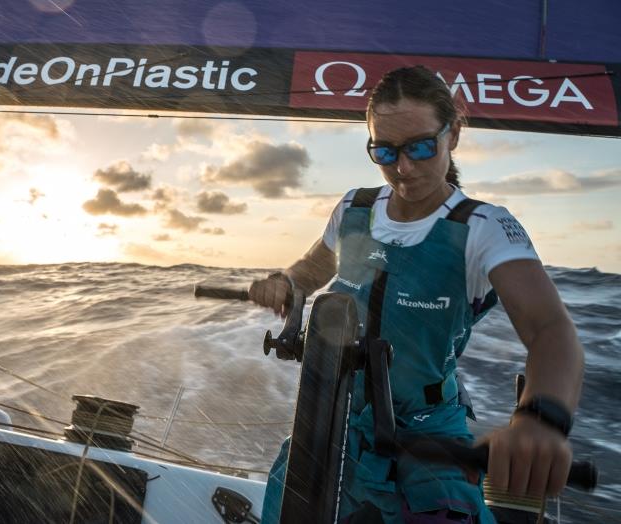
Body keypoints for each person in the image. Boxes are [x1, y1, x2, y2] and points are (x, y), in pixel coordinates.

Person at [249, 65, 584, 523]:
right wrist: (285, 283)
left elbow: (550, 331)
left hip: (429, 432)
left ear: (455, 134)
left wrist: (540, 420)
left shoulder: (484, 229)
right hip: (331, 418)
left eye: (421, 147)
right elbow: (308, 271)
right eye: (383, 151)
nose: (403, 168)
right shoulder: (354, 208)